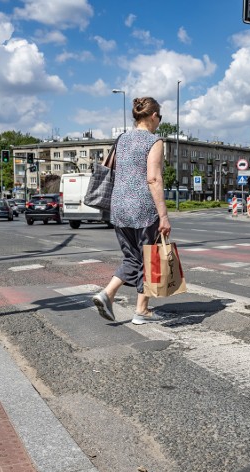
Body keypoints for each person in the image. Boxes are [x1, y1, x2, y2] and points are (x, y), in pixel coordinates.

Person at [92, 97, 171, 325]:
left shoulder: (121, 140)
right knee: (151, 258)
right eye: (160, 117)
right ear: (153, 116)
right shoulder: (155, 141)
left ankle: (108, 294)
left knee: (132, 257)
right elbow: (154, 178)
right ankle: (141, 310)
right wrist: (164, 216)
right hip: (144, 208)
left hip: (119, 207)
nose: (159, 122)